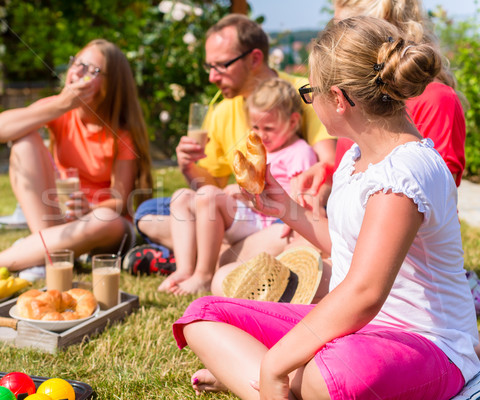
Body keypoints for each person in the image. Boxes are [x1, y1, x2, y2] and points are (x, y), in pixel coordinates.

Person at [172, 16, 480, 399]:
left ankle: (260, 378)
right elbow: (348, 251)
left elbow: (364, 292)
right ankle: (274, 383)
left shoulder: (405, 171)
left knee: (330, 374)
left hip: (427, 343)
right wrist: (285, 206)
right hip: (357, 332)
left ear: (337, 98)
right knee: (202, 316)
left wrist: (276, 361)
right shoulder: (356, 157)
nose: (310, 102)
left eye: (309, 92)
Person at [0, 39, 152, 282]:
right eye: (77, 63)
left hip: (104, 227)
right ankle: (46, 256)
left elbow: (118, 201)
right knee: (24, 141)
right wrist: (62, 104)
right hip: (60, 220)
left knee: (106, 221)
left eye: (91, 70)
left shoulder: (122, 133)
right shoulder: (61, 109)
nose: (77, 72)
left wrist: (91, 209)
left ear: (112, 83)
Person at [125, 14, 335, 273]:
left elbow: (327, 168)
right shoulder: (221, 111)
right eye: (209, 67)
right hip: (242, 209)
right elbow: (211, 190)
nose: (212, 77)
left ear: (255, 58)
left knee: (315, 216)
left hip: (287, 210)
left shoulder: (301, 93)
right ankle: (228, 254)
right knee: (147, 211)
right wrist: (188, 166)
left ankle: (205, 256)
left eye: (221, 66)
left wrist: (298, 207)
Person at [295, 0, 466, 202]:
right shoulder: (355, 100)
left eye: (345, 27)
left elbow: (434, 193)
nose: (335, 39)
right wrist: (328, 172)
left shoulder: (436, 98)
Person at [159, 78, 318, 295]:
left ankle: (204, 276)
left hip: (268, 222)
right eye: (255, 127)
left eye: (269, 128)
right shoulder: (263, 150)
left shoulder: (299, 152)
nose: (261, 134)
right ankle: (184, 270)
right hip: (250, 214)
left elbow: (299, 196)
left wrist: (249, 195)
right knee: (181, 197)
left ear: (292, 123)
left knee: (207, 195)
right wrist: (237, 192)